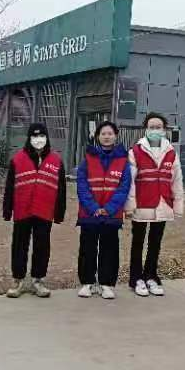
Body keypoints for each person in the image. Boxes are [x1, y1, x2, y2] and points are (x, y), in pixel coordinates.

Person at [3, 123, 67, 298]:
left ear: (47, 138)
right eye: (35, 136)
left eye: (42, 136)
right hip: (22, 210)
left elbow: (61, 189)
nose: (38, 140)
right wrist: (7, 210)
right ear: (29, 138)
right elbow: (9, 187)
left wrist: (59, 213)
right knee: (19, 245)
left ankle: (38, 280)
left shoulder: (56, 160)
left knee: (42, 246)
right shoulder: (18, 159)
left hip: (44, 211)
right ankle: (18, 280)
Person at [124, 112, 184, 297]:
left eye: (159, 127)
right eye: (152, 127)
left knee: (155, 242)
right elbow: (130, 182)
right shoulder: (135, 151)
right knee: (138, 242)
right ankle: (136, 278)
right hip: (142, 203)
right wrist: (129, 205)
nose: (155, 130)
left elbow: (177, 180)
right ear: (146, 129)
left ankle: (151, 276)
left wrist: (178, 205)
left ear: (164, 130)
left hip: (163, 203)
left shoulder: (171, 153)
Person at [76, 121, 131, 300]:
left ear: (115, 136)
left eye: (110, 133)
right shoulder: (88, 159)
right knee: (88, 248)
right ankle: (87, 282)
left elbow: (124, 187)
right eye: (103, 133)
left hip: (111, 215)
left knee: (110, 249)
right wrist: (93, 208)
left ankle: (106, 284)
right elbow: (82, 186)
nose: (107, 136)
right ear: (98, 137)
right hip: (89, 214)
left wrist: (109, 208)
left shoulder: (123, 161)